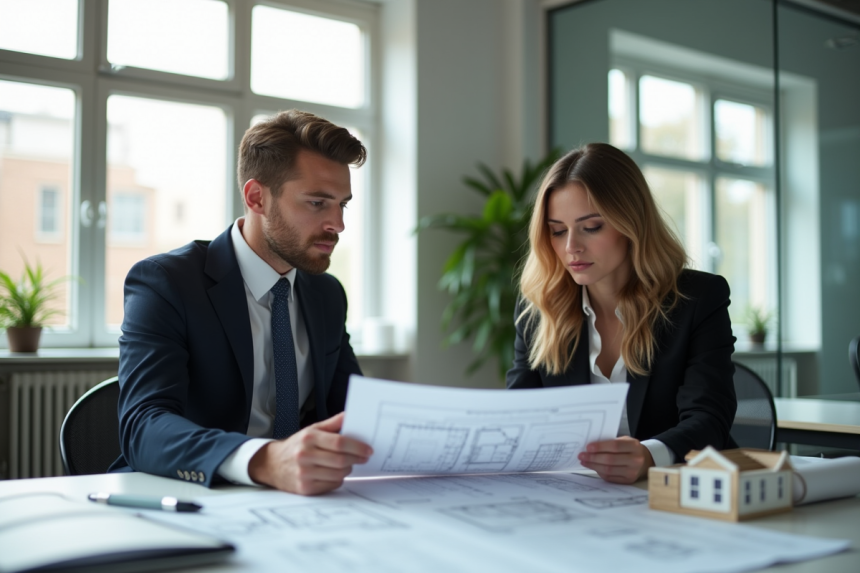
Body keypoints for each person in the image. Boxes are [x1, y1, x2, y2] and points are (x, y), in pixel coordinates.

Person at [110, 110, 373, 495]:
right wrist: (264, 460)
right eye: (318, 203)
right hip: (192, 495)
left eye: (342, 205)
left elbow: (352, 413)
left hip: (299, 504)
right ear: (256, 197)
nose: (338, 224)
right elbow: (143, 427)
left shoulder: (326, 294)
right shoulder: (167, 283)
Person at [507, 143, 737, 484]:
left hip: (678, 490)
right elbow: (518, 420)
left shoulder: (697, 299)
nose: (571, 247)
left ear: (631, 223)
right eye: (557, 231)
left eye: (592, 226)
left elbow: (709, 419)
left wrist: (650, 455)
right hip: (576, 495)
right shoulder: (538, 310)